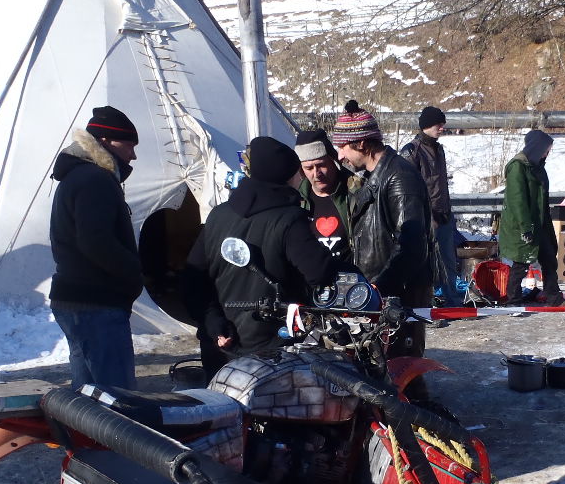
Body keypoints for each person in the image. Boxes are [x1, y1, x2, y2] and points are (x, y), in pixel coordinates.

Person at [183, 136, 339, 379]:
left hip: (221, 342)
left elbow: (192, 280)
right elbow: (320, 272)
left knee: (221, 401)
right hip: (271, 348)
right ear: (287, 177)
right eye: (298, 173)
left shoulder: (218, 216)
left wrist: (213, 322)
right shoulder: (289, 219)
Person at [49, 105, 145, 389]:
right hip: (96, 301)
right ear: (105, 141)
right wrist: (134, 272)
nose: (133, 155)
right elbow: (95, 241)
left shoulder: (80, 176)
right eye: (129, 145)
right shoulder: (95, 180)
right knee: (117, 398)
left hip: (79, 298)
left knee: (88, 398)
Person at [332, 101, 432, 309]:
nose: (340, 156)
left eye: (342, 147)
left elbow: (411, 245)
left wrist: (379, 288)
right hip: (379, 295)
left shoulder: (400, 177)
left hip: (396, 300)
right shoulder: (375, 177)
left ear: (361, 144)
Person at [401, 106, 462, 307]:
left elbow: (440, 185)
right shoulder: (412, 151)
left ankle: (453, 302)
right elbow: (407, 189)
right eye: (439, 125)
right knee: (424, 264)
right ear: (427, 125)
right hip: (424, 219)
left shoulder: (439, 149)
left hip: (444, 215)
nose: (442, 128)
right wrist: (425, 215)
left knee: (449, 262)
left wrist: (446, 211)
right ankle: (425, 303)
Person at [498, 129, 564, 306]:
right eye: (546, 149)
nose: (547, 153)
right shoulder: (518, 167)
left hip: (540, 222)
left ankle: (553, 296)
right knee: (522, 261)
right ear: (537, 147)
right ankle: (513, 299)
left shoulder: (538, 167)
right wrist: (525, 227)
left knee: (549, 258)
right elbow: (517, 199)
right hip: (523, 223)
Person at [295, 129, 357, 261]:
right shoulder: (296, 200)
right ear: (301, 170)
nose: (316, 174)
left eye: (321, 165)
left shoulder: (355, 192)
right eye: (309, 168)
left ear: (333, 161)